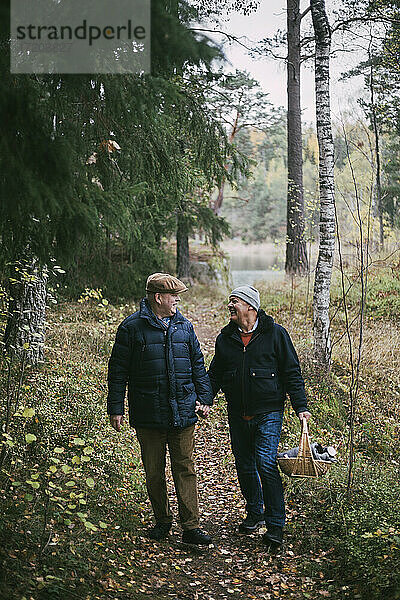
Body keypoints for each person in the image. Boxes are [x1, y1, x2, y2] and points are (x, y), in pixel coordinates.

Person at [107, 273, 213, 545]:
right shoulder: (131, 328)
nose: (178, 300)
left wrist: (205, 398)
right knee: (154, 471)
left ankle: (191, 526)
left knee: (185, 468)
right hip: (148, 413)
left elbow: (198, 366)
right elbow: (118, 371)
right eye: (173, 295)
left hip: (183, 411)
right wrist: (116, 407)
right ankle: (162, 521)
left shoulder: (184, 326)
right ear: (158, 298)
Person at [208, 285, 310, 548]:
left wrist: (301, 407)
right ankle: (255, 512)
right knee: (244, 464)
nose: (230, 306)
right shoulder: (225, 338)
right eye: (230, 301)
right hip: (237, 413)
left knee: (265, 463)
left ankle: (275, 525)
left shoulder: (275, 334)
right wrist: (205, 399)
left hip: (269, 412)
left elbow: (291, 372)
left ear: (251, 307)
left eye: (235, 302)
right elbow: (215, 375)